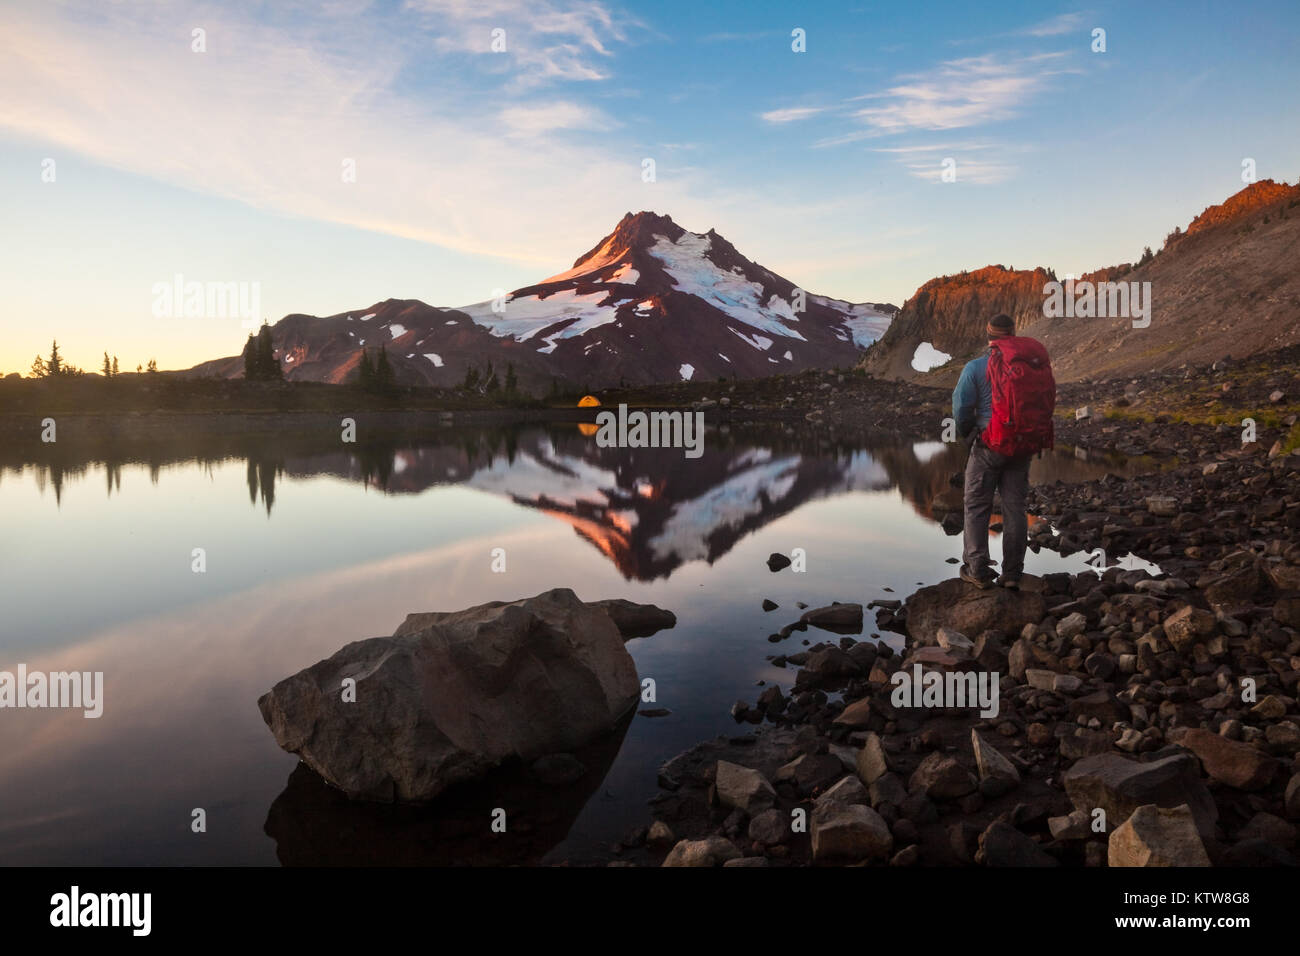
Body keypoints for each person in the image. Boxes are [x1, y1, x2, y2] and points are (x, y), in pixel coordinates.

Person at [952, 313, 1054, 590]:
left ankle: (978, 570)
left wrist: (967, 433)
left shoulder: (975, 368)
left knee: (976, 505)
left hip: (989, 443)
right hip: (1021, 444)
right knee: (1015, 508)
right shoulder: (1028, 365)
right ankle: (1012, 573)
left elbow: (961, 408)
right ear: (1013, 333)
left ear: (989, 335)